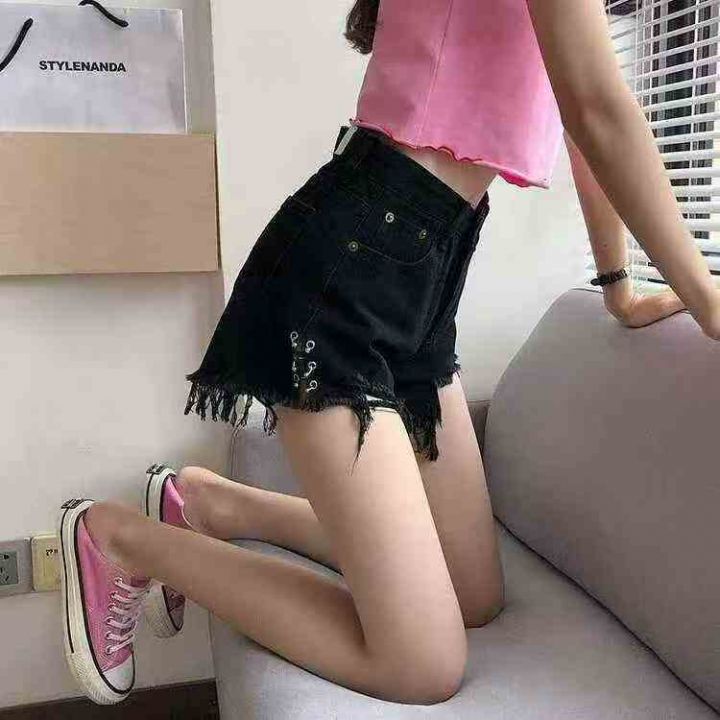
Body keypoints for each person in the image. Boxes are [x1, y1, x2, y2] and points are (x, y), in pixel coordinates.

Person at [57, 0, 720, 707]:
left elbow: (585, 112)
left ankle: (208, 504)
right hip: (348, 277)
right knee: (422, 665)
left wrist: (618, 285)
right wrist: (707, 303)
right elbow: (597, 108)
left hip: (421, 277)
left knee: (473, 594)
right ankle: (119, 540)